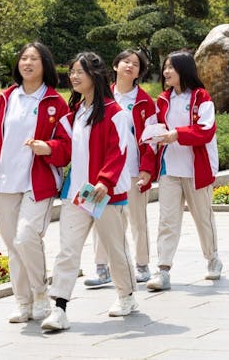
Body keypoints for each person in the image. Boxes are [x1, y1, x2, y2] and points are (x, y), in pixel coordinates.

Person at [0, 42, 69, 324]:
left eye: (34, 59)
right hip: (5, 182)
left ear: (45, 65)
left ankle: (41, 294)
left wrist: (48, 147)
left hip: (38, 182)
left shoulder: (55, 103)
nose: (27, 63)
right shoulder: (5, 98)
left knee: (27, 237)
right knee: (13, 245)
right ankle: (22, 302)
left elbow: (66, 144)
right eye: (24, 58)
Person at [41, 51, 138, 331]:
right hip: (77, 194)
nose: (73, 76)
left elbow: (118, 151)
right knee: (68, 250)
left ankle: (127, 295)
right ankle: (59, 306)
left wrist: (104, 181)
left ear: (93, 75)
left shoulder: (115, 113)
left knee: (114, 249)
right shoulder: (76, 111)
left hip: (104, 195)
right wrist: (47, 149)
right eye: (71, 72)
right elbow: (67, 147)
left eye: (78, 72)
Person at [146, 50, 222, 291]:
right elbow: (156, 127)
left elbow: (205, 130)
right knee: (167, 220)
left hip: (195, 168)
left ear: (184, 70)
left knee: (202, 217)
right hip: (170, 168)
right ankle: (163, 269)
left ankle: (212, 258)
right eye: (165, 67)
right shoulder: (162, 100)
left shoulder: (201, 97)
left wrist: (177, 134)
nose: (166, 71)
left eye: (172, 67)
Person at [83, 49, 157, 287]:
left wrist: (147, 169)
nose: (130, 66)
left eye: (135, 64)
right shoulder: (102, 97)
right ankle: (101, 267)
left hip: (134, 170)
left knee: (137, 219)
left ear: (139, 72)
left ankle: (142, 264)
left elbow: (152, 139)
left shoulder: (145, 102)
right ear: (115, 66)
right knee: (100, 217)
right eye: (125, 61)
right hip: (104, 171)